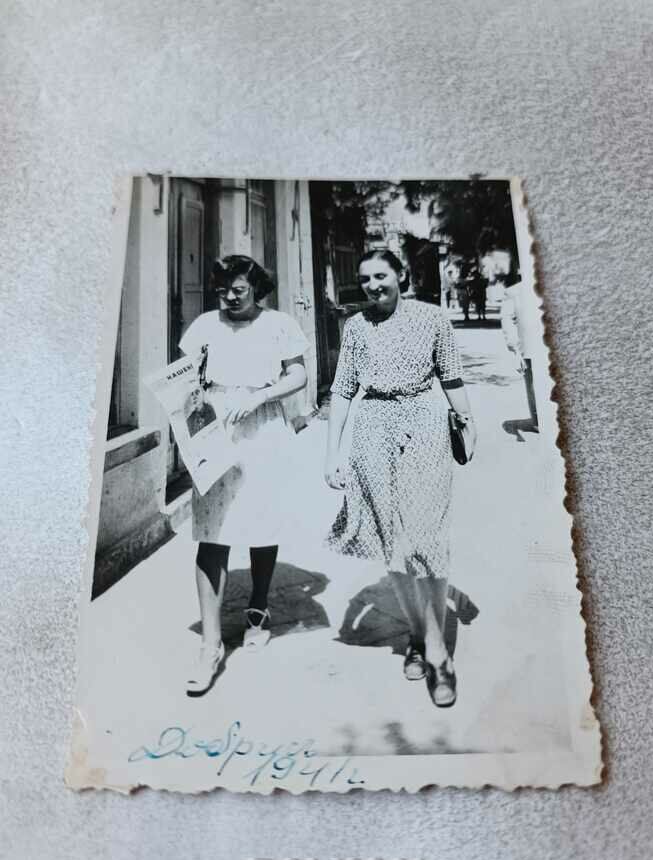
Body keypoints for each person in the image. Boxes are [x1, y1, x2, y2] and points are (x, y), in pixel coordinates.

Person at [324, 251, 477, 708]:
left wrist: (468, 424)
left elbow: (451, 377)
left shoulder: (433, 318)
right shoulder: (355, 327)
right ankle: (423, 640)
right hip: (372, 431)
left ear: (401, 276)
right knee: (393, 542)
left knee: (426, 539)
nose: (372, 285)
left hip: (425, 425)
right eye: (365, 279)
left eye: (381, 276)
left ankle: (435, 651)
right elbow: (342, 389)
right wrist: (332, 453)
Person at [179, 255, 308, 695]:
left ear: (257, 288)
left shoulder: (279, 325)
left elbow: (299, 375)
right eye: (222, 291)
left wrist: (259, 398)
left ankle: (258, 606)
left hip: (263, 428)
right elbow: (183, 379)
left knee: (260, 521)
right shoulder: (203, 327)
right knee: (211, 531)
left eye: (238, 290)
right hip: (213, 431)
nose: (230, 298)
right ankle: (211, 645)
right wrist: (190, 422)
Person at [499, 255, 539, 431]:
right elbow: (507, 320)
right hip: (529, 346)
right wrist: (514, 347)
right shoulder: (514, 292)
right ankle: (538, 419)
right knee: (532, 384)